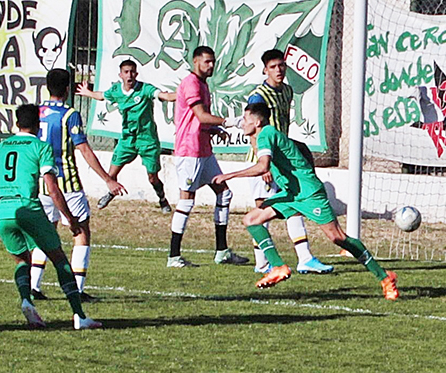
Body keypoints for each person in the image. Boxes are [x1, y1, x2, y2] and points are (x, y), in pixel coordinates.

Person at [212, 103, 399, 299]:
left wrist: (229, 176)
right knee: (252, 219)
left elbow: (262, 165)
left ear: (257, 122)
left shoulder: (266, 134)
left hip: (309, 194)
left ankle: (384, 277)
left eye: (246, 119)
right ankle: (277, 266)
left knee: (338, 238)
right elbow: (299, 147)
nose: (242, 123)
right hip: (291, 193)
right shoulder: (266, 135)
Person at [0, 104, 101, 329]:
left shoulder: (1, 147)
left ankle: (26, 300)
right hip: (28, 208)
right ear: (37, 125)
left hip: (2, 211)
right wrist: (70, 218)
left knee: (22, 260)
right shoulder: (41, 147)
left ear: (16, 123)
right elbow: (52, 188)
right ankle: (79, 316)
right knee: (60, 259)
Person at [29, 68, 126, 302]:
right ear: (67, 89)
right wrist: (107, 178)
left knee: (46, 231)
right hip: (66, 183)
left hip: (41, 183)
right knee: (81, 231)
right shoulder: (69, 114)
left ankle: (34, 286)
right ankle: (78, 290)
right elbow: (83, 148)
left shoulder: (36, 112)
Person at [245, 50, 334, 275]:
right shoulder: (258, 96)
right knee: (261, 210)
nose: (278, 70)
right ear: (265, 69)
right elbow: (253, 132)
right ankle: (262, 263)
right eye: (273, 66)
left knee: (294, 208)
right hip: (264, 161)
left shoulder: (287, 91)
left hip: (282, 164)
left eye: (281, 65)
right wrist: (262, 162)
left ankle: (304, 258)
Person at [167, 46, 248, 268]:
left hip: (203, 149)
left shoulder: (203, 84)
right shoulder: (192, 83)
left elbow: (197, 121)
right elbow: (200, 115)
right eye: (206, 62)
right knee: (186, 200)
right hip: (189, 150)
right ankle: (174, 256)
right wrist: (229, 122)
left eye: (212, 61)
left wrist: (213, 131)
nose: (211, 65)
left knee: (224, 193)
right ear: (195, 62)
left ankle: (222, 251)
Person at [76, 59, 176, 214]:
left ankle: (162, 199)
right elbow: (102, 96)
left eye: (132, 72)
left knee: (152, 177)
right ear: (120, 75)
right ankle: (111, 192)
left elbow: (166, 96)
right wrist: (88, 93)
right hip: (127, 139)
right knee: (111, 174)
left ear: (136, 74)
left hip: (147, 139)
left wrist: (184, 93)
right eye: (126, 72)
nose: (129, 75)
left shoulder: (144, 89)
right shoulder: (116, 90)